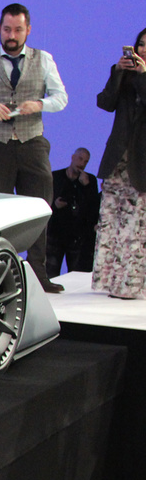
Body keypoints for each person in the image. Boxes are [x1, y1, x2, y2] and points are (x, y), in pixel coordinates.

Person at [0, 3, 69, 293]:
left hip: (32, 143)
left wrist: (39, 104)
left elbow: (61, 98)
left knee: (39, 207)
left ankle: (39, 273)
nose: (11, 35)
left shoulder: (43, 59)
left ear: (28, 30)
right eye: (7, 29)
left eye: (18, 29)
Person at [91, 28, 146, 300]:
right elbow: (105, 102)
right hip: (117, 161)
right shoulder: (125, 75)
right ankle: (109, 282)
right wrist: (117, 72)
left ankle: (131, 286)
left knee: (136, 226)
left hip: (141, 162)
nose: (143, 49)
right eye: (141, 44)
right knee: (111, 222)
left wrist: (143, 76)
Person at [45, 148, 100, 276]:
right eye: (80, 159)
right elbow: (45, 201)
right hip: (55, 233)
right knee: (50, 273)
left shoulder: (90, 180)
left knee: (76, 275)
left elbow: (93, 207)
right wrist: (55, 205)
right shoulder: (56, 177)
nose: (82, 164)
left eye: (85, 161)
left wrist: (86, 186)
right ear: (72, 157)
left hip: (77, 236)